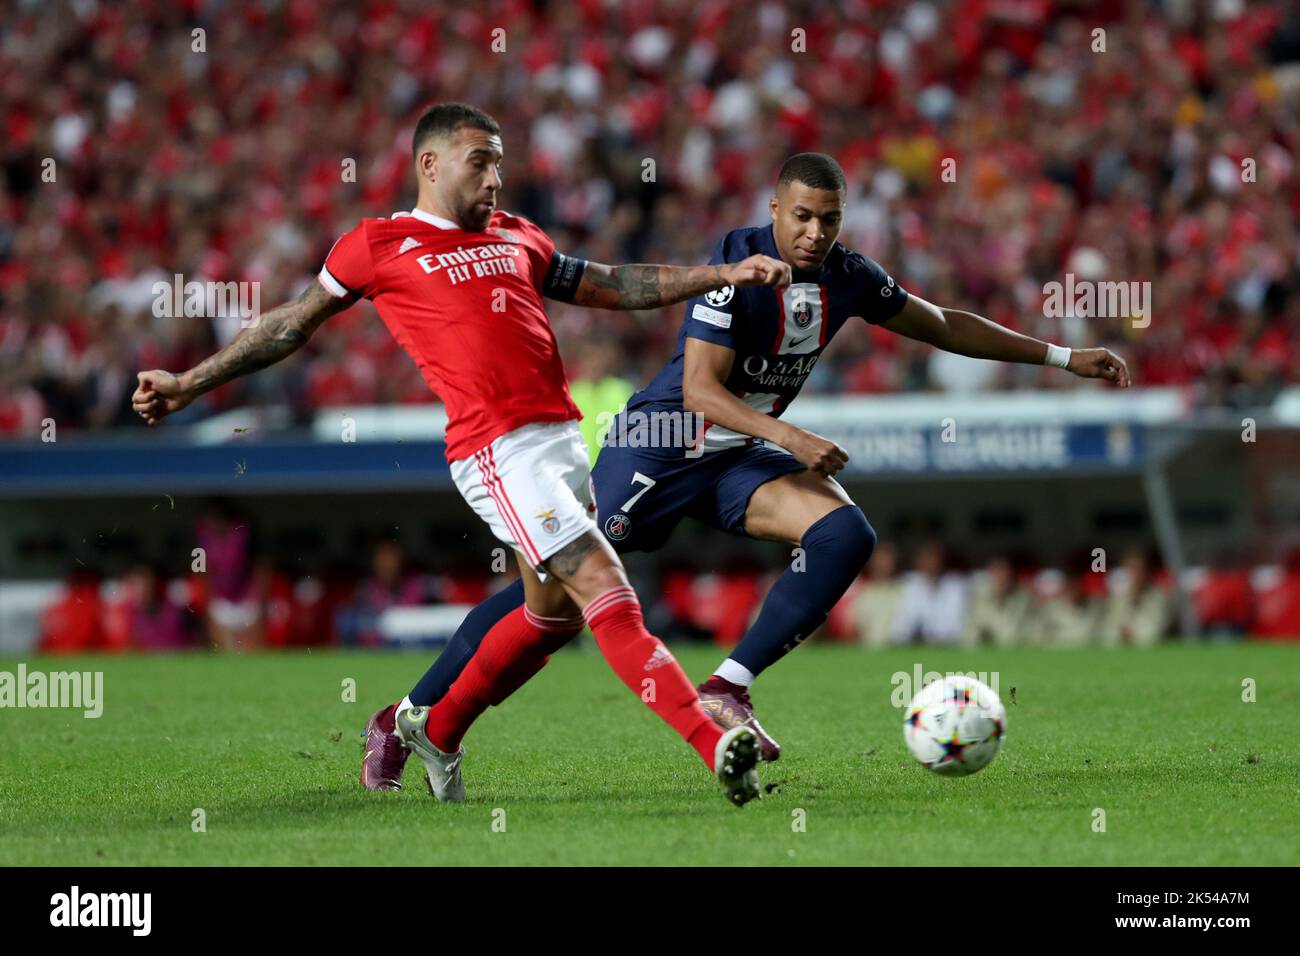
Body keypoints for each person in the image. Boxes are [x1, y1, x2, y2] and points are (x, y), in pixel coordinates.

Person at [372, 151, 1131, 782]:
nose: (813, 232)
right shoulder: (742, 260)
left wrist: (1062, 356)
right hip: (662, 442)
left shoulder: (850, 277)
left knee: (844, 534)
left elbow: (941, 324)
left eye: (829, 219)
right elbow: (700, 390)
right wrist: (794, 438)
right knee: (558, 600)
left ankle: (727, 689)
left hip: (738, 454)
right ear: (775, 208)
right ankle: (407, 716)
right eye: (801, 216)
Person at [133, 102, 792, 808]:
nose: (495, 179)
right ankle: (712, 742)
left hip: (562, 439)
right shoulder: (378, 244)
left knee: (553, 616)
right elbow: (290, 325)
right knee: (609, 592)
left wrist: (718, 275)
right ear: (430, 164)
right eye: (481, 162)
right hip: (497, 449)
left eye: (500, 164)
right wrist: (191, 381)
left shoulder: (518, 234)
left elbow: (611, 283)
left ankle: (431, 728)